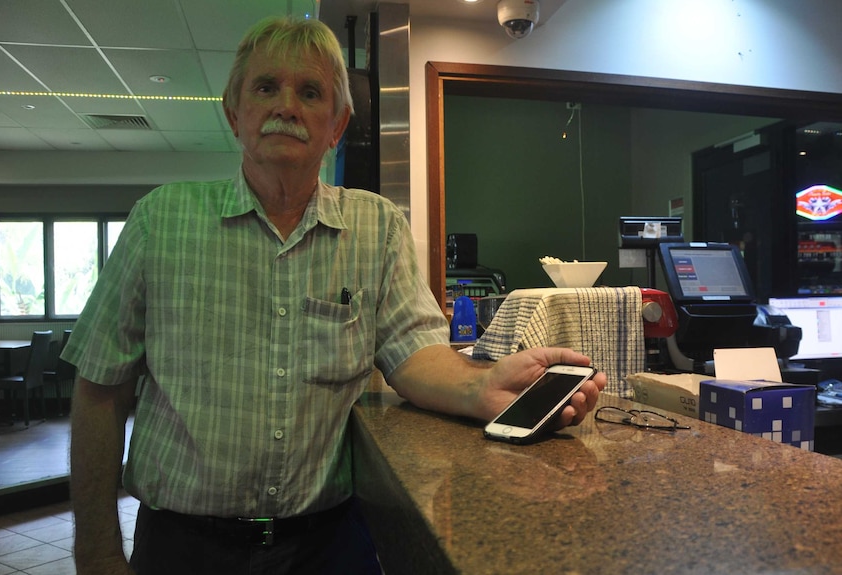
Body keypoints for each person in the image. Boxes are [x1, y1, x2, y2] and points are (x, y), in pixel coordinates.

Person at [65, 16, 607, 575]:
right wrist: (98, 552)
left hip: (328, 547)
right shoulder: (161, 221)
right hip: (181, 547)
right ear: (234, 113)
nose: (286, 106)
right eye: (266, 87)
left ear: (337, 124)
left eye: (310, 92)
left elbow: (413, 353)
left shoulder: (376, 227)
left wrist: (480, 386)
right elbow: (99, 389)